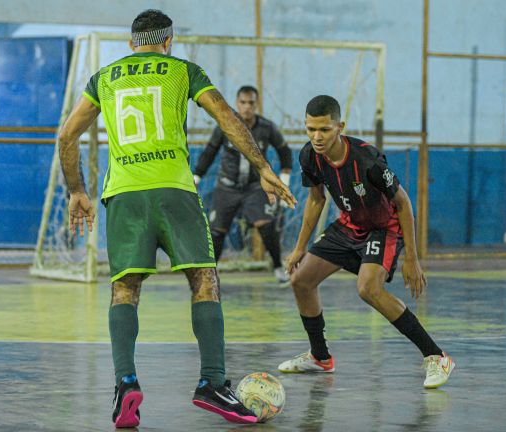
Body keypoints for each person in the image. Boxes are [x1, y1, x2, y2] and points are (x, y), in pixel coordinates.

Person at [57, 9, 296, 428]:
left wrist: (77, 190)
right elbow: (227, 116)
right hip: (175, 190)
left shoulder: (104, 78)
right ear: (169, 42)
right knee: (204, 278)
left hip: (125, 194)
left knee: (124, 288)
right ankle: (211, 383)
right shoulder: (183, 71)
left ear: (132, 44)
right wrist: (261, 166)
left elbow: (66, 135)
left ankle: (126, 383)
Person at [278, 95, 455, 389]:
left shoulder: (366, 159)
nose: (316, 137)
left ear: (340, 126)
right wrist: (299, 247)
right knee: (301, 280)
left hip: (383, 228)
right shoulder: (309, 155)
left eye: (324, 129)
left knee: (368, 289)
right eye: (310, 129)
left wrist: (412, 257)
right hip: (349, 225)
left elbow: (403, 203)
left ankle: (436, 356)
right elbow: (315, 200)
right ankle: (320, 358)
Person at [193, 85, 292, 282]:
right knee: (217, 231)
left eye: (251, 103)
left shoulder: (267, 127)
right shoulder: (225, 124)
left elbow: (285, 153)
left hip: (255, 188)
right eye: (243, 102)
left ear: (257, 105)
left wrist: (284, 181)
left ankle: (279, 267)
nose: (247, 107)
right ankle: (210, 273)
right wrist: (196, 177)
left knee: (266, 224)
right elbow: (210, 152)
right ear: (237, 103)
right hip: (227, 187)